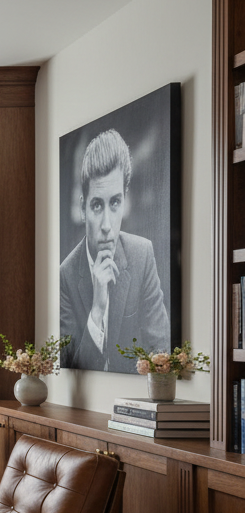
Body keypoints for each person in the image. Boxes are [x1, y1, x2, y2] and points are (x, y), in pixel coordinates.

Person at [59, 128, 169, 373]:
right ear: (82, 208)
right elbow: (70, 367)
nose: (107, 225)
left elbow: (162, 353)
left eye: (115, 202)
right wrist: (97, 308)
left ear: (125, 201)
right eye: (97, 205)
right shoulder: (65, 275)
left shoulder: (142, 256)